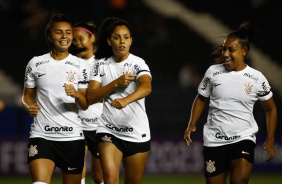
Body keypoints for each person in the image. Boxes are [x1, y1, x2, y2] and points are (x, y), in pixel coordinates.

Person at [184, 22, 277, 184]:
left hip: (243, 138)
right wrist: (191, 124)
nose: (226, 53)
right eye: (224, 49)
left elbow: (271, 109)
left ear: (244, 51)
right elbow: (201, 98)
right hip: (214, 141)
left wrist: (270, 139)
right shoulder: (213, 72)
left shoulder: (257, 78)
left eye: (231, 50)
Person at [22, 14, 90, 184]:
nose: (64, 36)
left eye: (68, 32)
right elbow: (26, 97)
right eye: (59, 32)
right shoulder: (35, 63)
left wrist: (77, 94)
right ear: (49, 36)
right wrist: (28, 106)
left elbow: (85, 104)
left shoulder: (81, 65)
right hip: (41, 136)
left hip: (72, 138)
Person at [87, 17, 152, 184]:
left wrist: (126, 100)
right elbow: (90, 96)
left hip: (137, 132)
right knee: (109, 180)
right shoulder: (100, 65)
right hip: (109, 130)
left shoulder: (138, 63)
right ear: (109, 41)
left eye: (126, 37)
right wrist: (115, 83)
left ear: (131, 40)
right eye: (117, 37)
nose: (122, 41)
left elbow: (146, 87)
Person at [72, 22, 104, 184]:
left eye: (81, 39)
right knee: (77, 170)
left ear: (93, 38)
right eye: (74, 40)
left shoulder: (104, 63)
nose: (77, 43)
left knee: (99, 176)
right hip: (76, 125)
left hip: (100, 126)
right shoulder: (69, 64)